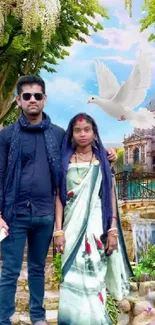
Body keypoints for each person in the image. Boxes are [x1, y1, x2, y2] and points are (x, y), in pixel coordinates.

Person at [0, 75, 117, 325]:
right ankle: (3, 318)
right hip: (14, 215)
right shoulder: (7, 136)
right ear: (18, 100)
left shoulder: (58, 134)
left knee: (37, 269)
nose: (33, 100)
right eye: (27, 96)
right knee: (9, 271)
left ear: (45, 99)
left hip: (45, 215)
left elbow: (82, 152)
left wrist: (107, 153)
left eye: (38, 95)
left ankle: (38, 316)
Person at [54, 113, 133, 325]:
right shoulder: (64, 162)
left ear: (94, 132)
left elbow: (110, 195)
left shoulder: (103, 162)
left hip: (97, 226)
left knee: (95, 276)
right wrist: (58, 230)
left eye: (87, 130)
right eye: (77, 130)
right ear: (71, 134)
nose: (82, 134)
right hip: (71, 227)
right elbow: (59, 198)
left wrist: (113, 230)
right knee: (71, 276)